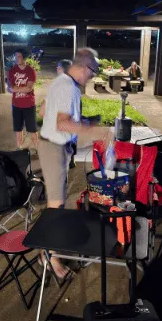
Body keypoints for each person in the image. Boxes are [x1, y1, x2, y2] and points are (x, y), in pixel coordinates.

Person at [39, 48, 109, 278]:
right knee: (56, 204)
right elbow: (63, 123)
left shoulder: (61, 81)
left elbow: (44, 110)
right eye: (93, 72)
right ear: (84, 67)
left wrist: (84, 121)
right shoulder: (68, 87)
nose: (92, 77)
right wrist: (94, 130)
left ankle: (48, 251)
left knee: (56, 201)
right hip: (53, 148)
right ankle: (49, 256)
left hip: (54, 146)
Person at [8, 48, 39, 150]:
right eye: (16, 56)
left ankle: (38, 149)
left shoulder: (30, 71)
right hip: (16, 105)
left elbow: (29, 88)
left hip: (29, 105)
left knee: (32, 130)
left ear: (24, 58)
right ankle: (19, 148)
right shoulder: (12, 71)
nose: (17, 59)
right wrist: (21, 89)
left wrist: (16, 89)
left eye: (19, 56)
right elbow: (10, 88)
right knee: (18, 129)